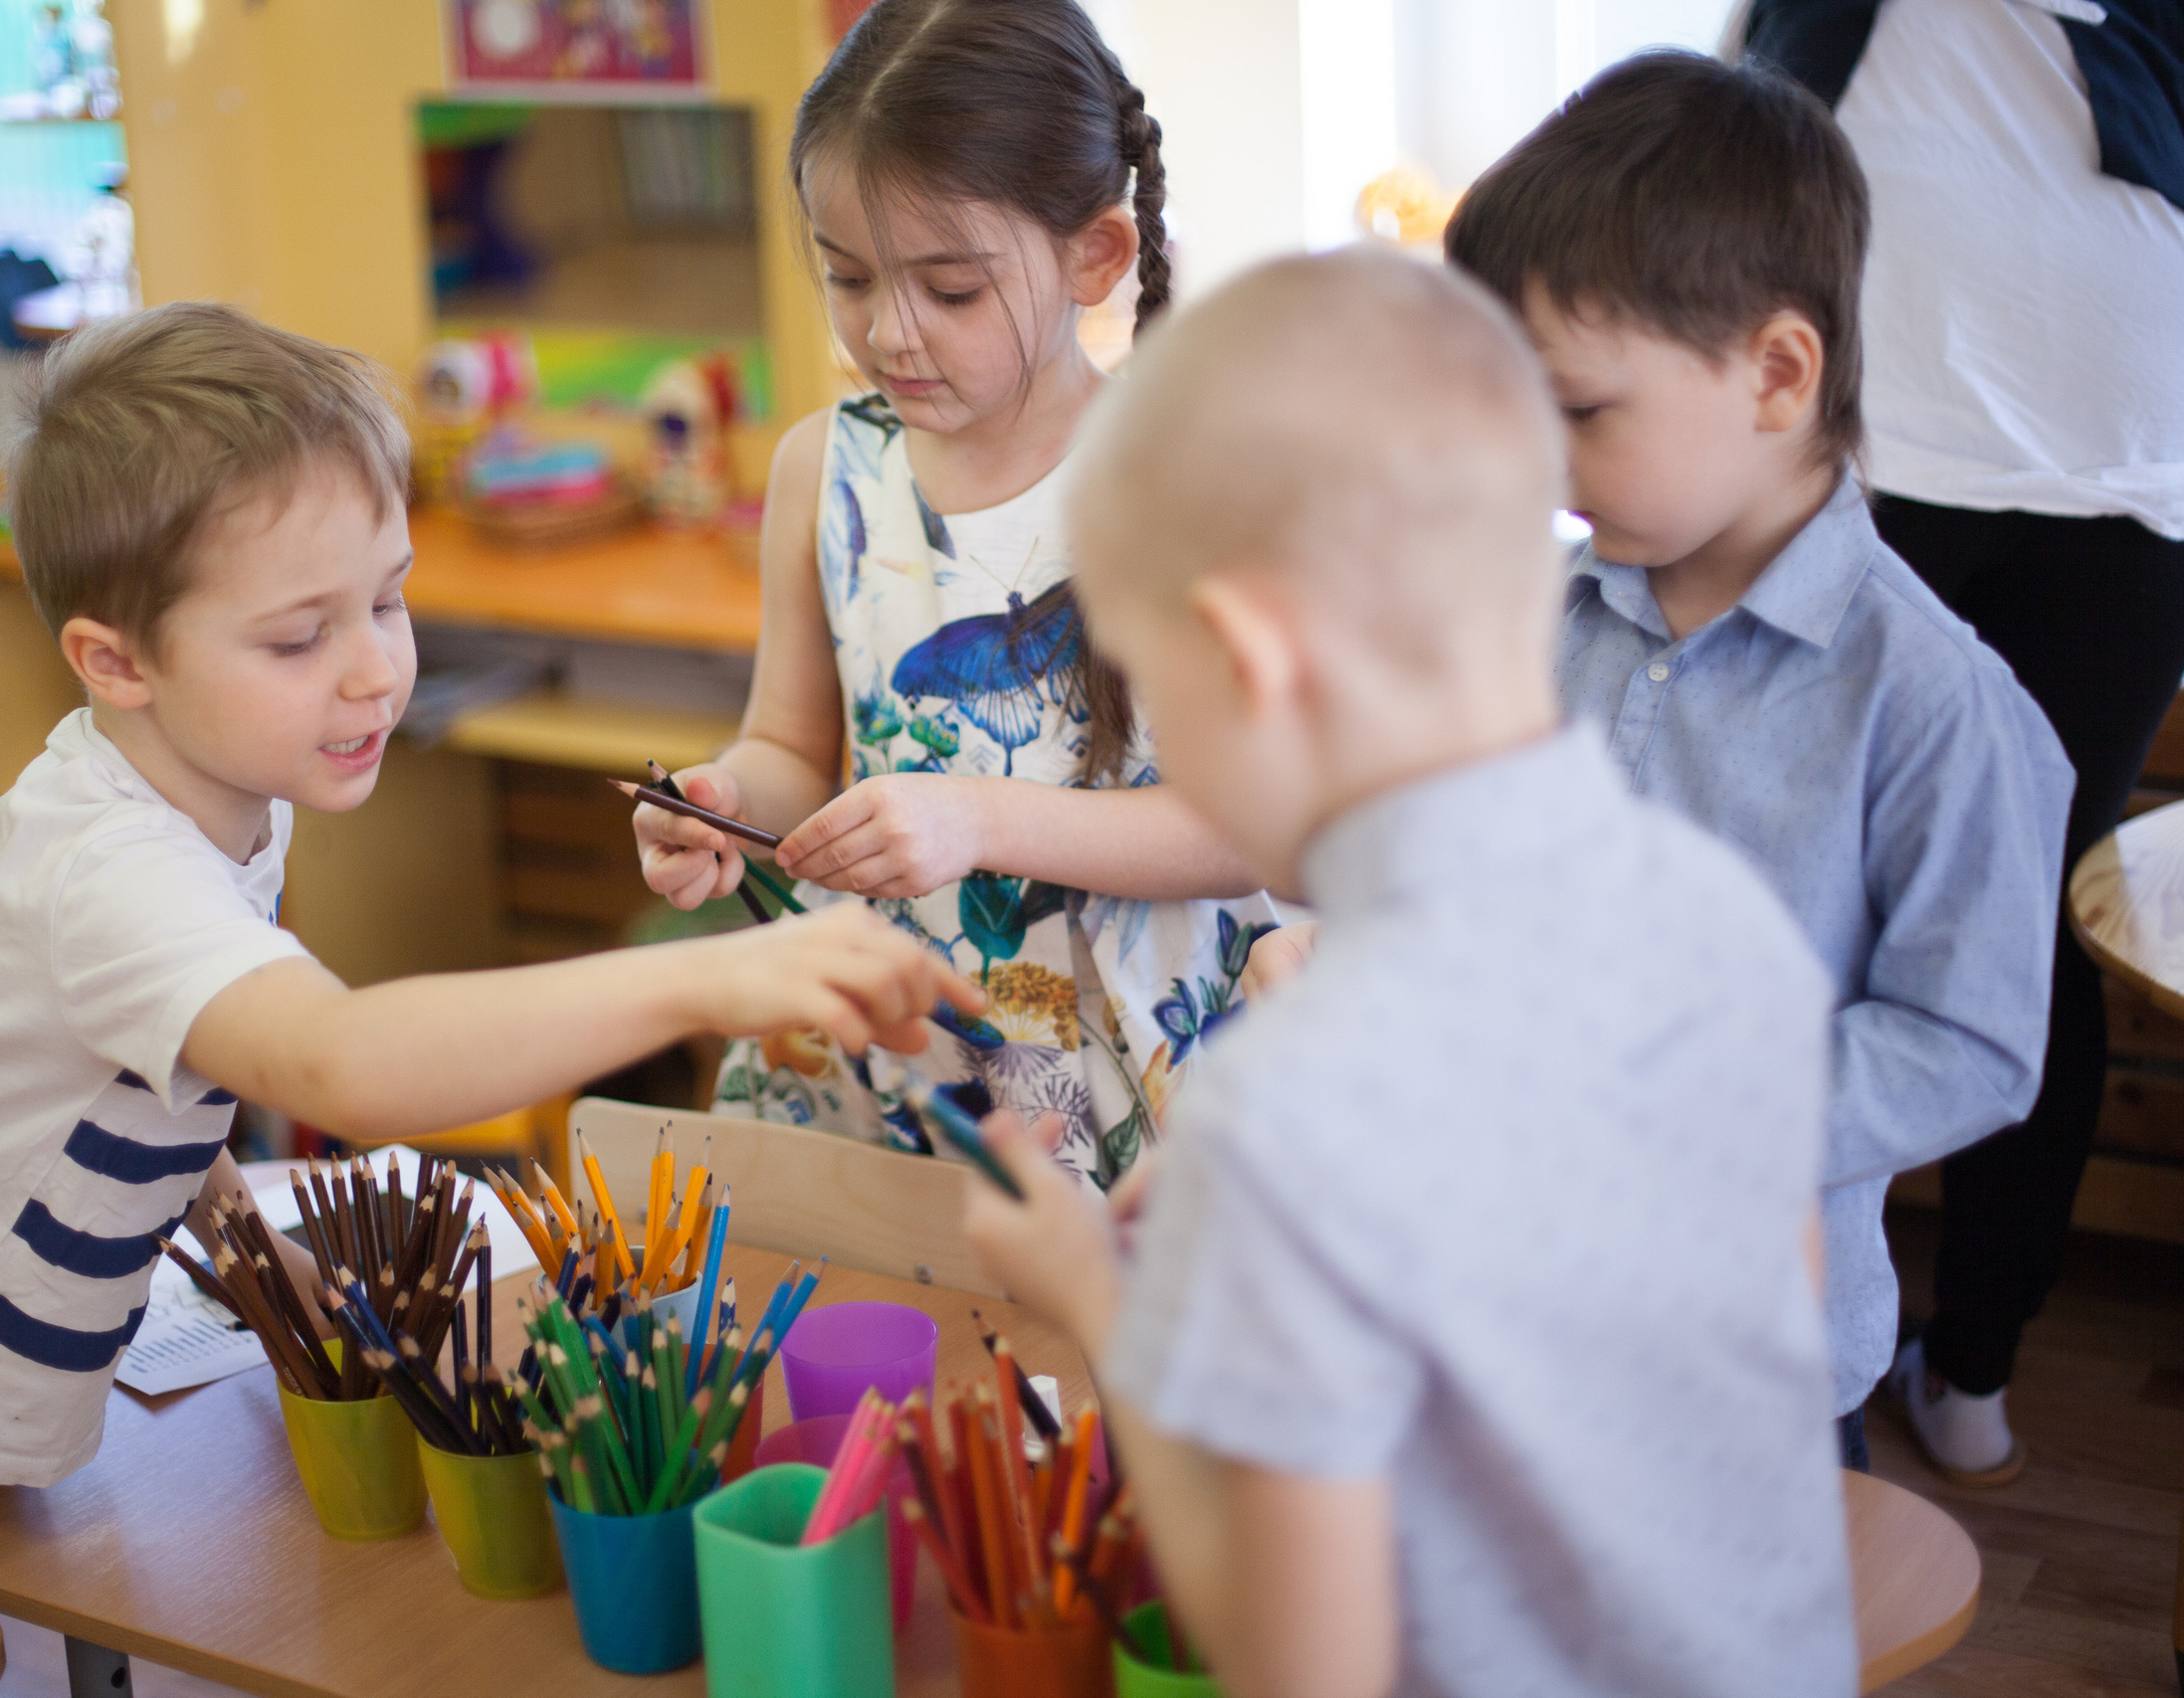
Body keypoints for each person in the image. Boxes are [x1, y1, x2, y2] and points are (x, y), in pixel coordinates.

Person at [0, 302, 980, 1560]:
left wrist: (251, 1251)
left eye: (387, 598)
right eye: (298, 638)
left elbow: (152, 1066)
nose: (377, 670)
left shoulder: (227, 789)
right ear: (116, 662)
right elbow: (340, 1063)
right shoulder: (109, 866)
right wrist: (720, 975)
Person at [966, 248, 1856, 1698]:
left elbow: (1290, 1664)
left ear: (1246, 661)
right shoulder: (1727, 915)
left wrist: (1101, 1304)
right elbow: (1777, 1330)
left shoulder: (1283, 1118)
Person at [1441, 51, 2073, 1469]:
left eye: (1578, 412)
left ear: (1778, 373)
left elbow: (1972, 1044)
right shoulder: (1538, 620)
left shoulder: (1935, 701)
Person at [629, 0, 1277, 1186]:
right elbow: (792, 747)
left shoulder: (1190, 477)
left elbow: (1247, 828)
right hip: (899, 1055)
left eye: (951, 291)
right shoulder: (823, 471)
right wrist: (724, 802)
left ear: (1095, 256)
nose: (889, 332)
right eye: (848, 277)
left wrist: (975, 818)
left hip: (1135, 1087)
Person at [1739, 0, 2184, 1489]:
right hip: (1942, 441)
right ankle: (1897, 1370)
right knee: (1923, 914)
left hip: (2075, 458)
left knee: (1976, 923)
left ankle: (1953, 1358)